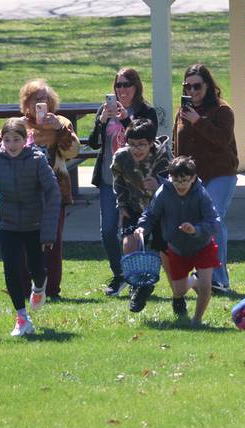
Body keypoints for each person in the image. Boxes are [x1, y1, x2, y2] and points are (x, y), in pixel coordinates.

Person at [0, 80, 80, 301]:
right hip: (19, 193)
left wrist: (59, 130)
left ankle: (51, 290)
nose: (41, 104)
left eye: (45, 100)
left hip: (54, 190)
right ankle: (23, 287)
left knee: (52, 242)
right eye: (36, 100)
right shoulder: (17, 124)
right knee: (20, 245)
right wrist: (10, 138)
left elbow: (73, 152)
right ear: (26, 103)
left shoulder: (61, 122)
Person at [0, 118, 61, 336]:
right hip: (7, 224)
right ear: (1, 140)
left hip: (34, 224)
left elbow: (53, 192)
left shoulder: (37, 159)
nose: (11, 145)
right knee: (11, 269)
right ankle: (22, 318)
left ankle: (39, 286)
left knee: (37, 269)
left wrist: (49, 231)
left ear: (25, 140)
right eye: (7, 140)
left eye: (16, 139)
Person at [88, 68, 158, 296]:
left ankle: (139, 277)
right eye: (118, 85)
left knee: (138, 232)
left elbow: (149, 141)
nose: (122, 89)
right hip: (110, 180)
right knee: (108, 230)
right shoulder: (105, 109)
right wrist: (102, 122)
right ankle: (120, 275)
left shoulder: (146, 111)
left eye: (127, 84)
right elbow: (94, 144)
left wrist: (126, 119)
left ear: (136, 86)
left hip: (137, 184)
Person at [173, 64, 239, 294]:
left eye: (197, 86)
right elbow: (176, 145)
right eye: (187, 86)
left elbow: (223, 140)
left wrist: (198, 121)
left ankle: (220, 279)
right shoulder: (182, 112)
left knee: (214, 220)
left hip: (221, 174)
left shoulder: (222, 110)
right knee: (198, 225)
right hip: (192, 177)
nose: (192, 91)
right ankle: (204, 273)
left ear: (208, 85)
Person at [135, 156, 221, 326]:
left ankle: (197, 320)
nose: (180, 185)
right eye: (176, 180)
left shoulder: (201, 194)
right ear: (170, 178)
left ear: (193, 178)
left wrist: (195, 229)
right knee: (179, 290)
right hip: (177, 248)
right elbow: (151, 214)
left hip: (202, 245)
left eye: (184, 180)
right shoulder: (164, 192)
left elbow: (214, 221)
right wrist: (142, 227)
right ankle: (194, 279)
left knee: (205, 288)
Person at [111, 119, 171, 313]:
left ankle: (176, 296)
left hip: (160, 210)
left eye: (142, 145)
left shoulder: (163, 158)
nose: (137, 149)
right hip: (134, 208)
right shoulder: (121, 158)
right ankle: (138, 286)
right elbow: (118, 182)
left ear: (151, 142)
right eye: (133, 144)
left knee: (163, 252)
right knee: (129, 244)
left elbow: (178, 185)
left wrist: (160, 184)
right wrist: (121, 205)